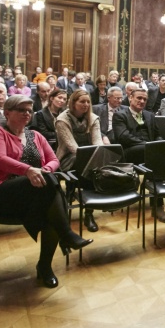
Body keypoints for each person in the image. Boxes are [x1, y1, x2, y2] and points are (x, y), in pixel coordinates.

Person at [0, 95, 92, 288]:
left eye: (30, 110)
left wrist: (46, 169)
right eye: (21, 110)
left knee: (51, 210)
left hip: (36, 193)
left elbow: (54, 159)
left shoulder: (35, 135)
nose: (27, 114)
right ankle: (66, 234)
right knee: (52, 193)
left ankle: (45, 266)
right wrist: (28, 170)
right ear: (7, 113)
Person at [113, 89, 165, 221]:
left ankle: (157, 206)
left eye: (144, 99)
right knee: (156, 156)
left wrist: (158, 143)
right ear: (130, 98)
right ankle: (157, 204)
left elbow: (157, 134)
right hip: (129, 153)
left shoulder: (149, 115)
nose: (142, 101)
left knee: (158, 158)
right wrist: (149, 145)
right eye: (139, 98)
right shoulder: (120, 115)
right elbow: (123, 137)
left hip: (149, 153)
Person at [55, 90, 103, 232]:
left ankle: (88, 212)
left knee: (94, 166)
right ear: (73, 102)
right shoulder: (62, 120)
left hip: (89, 157)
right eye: (82, 101)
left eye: (88, 101)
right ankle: (85, 205)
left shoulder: (93, 118)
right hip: (68, 157)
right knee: (90, 169)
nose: (86, 104)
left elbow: (98, 142)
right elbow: (72, 147)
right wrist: (92, 158)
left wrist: (98, 155)